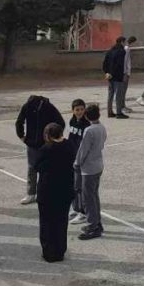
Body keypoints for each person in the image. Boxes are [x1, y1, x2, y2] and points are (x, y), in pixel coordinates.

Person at [34, 122, 76, 262]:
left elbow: (37, 166)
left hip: (48, 191)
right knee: (61, 222)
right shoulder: (69, 145)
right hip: (65, 189)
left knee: (47, 223)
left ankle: (49, 252)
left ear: (48, 135)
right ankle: (60, 251)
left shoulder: (46, 149)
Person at [14, 95, 64, 205]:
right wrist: (22, 136)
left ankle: (44, 193)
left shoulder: (48, 107)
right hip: (32, 144)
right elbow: (19, 122)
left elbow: (60, 122)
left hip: (46, 144)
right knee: (33, 169)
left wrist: (53, 139)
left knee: (45, 169)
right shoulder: (27, 107)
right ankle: (32, 194)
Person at [74, 104, 106, 240]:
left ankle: (93, 225)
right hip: (98, 165)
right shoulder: (101, 128)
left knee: (88, 199)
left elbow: (83, 150)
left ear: (87, 116)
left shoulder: (89, 130)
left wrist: (77, 163)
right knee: (94, 196)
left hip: (89, 169)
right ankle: (97, 222)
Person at [67, 99, 90, 224]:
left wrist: (81, 158)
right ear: (73, 110)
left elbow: (85, 144)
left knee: (81, 186)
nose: (80, 112)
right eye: (77, 110)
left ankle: (83, 212)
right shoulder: (72, 121)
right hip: (73, 157)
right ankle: (76, 208)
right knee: (74, 185)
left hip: (82, 160)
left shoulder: (87, 124)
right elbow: (71, 138)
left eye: (82, 109)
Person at [103, 37, 130, 119]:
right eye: (124, 42)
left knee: (110, 94)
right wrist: (123, 73)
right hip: (117, 75)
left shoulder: (110, 50)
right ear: (122, 42)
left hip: (109, 76)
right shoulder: (121, 51)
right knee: (119, 94)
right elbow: (119, 64)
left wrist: (107, 72)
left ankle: (110, 112)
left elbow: (105, 63)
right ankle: (119, 112)